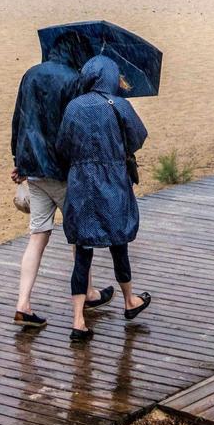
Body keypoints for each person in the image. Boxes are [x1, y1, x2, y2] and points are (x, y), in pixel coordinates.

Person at [10, 36, 110, 328]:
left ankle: (23, 303)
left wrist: (18, 160)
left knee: (38, 235)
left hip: (34, 168)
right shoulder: (73, 79)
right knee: (80, 235)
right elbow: (75, 126)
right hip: (63, 171)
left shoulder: (30, 74)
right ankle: (88, 294)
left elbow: (19, 120)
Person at [56, 55, 152, 342]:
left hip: (81, 183)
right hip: (112, 181)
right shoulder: (118, 104)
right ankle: (129, 300)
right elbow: (138, 137)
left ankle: (78, 320)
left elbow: (62, 145)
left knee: (83, 249)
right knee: (118, 242)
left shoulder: (73, 106)